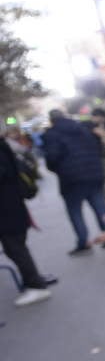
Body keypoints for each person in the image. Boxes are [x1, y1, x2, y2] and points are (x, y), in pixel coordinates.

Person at [40, 109, 105, 255]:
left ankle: (83, 242)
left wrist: (59, 169)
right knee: (100, 207)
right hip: (94, 173)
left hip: (71, 179)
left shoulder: (51, 134)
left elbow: (52, 159)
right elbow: (98, 148)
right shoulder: (83, 129)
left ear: (51, 120)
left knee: (75, 211)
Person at [0, 130, 53, 305]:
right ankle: (34, 280)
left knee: (15, 248)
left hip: (7, 209)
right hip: (12, 206)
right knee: (16, 247)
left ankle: (36, 286)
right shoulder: (4, 145)